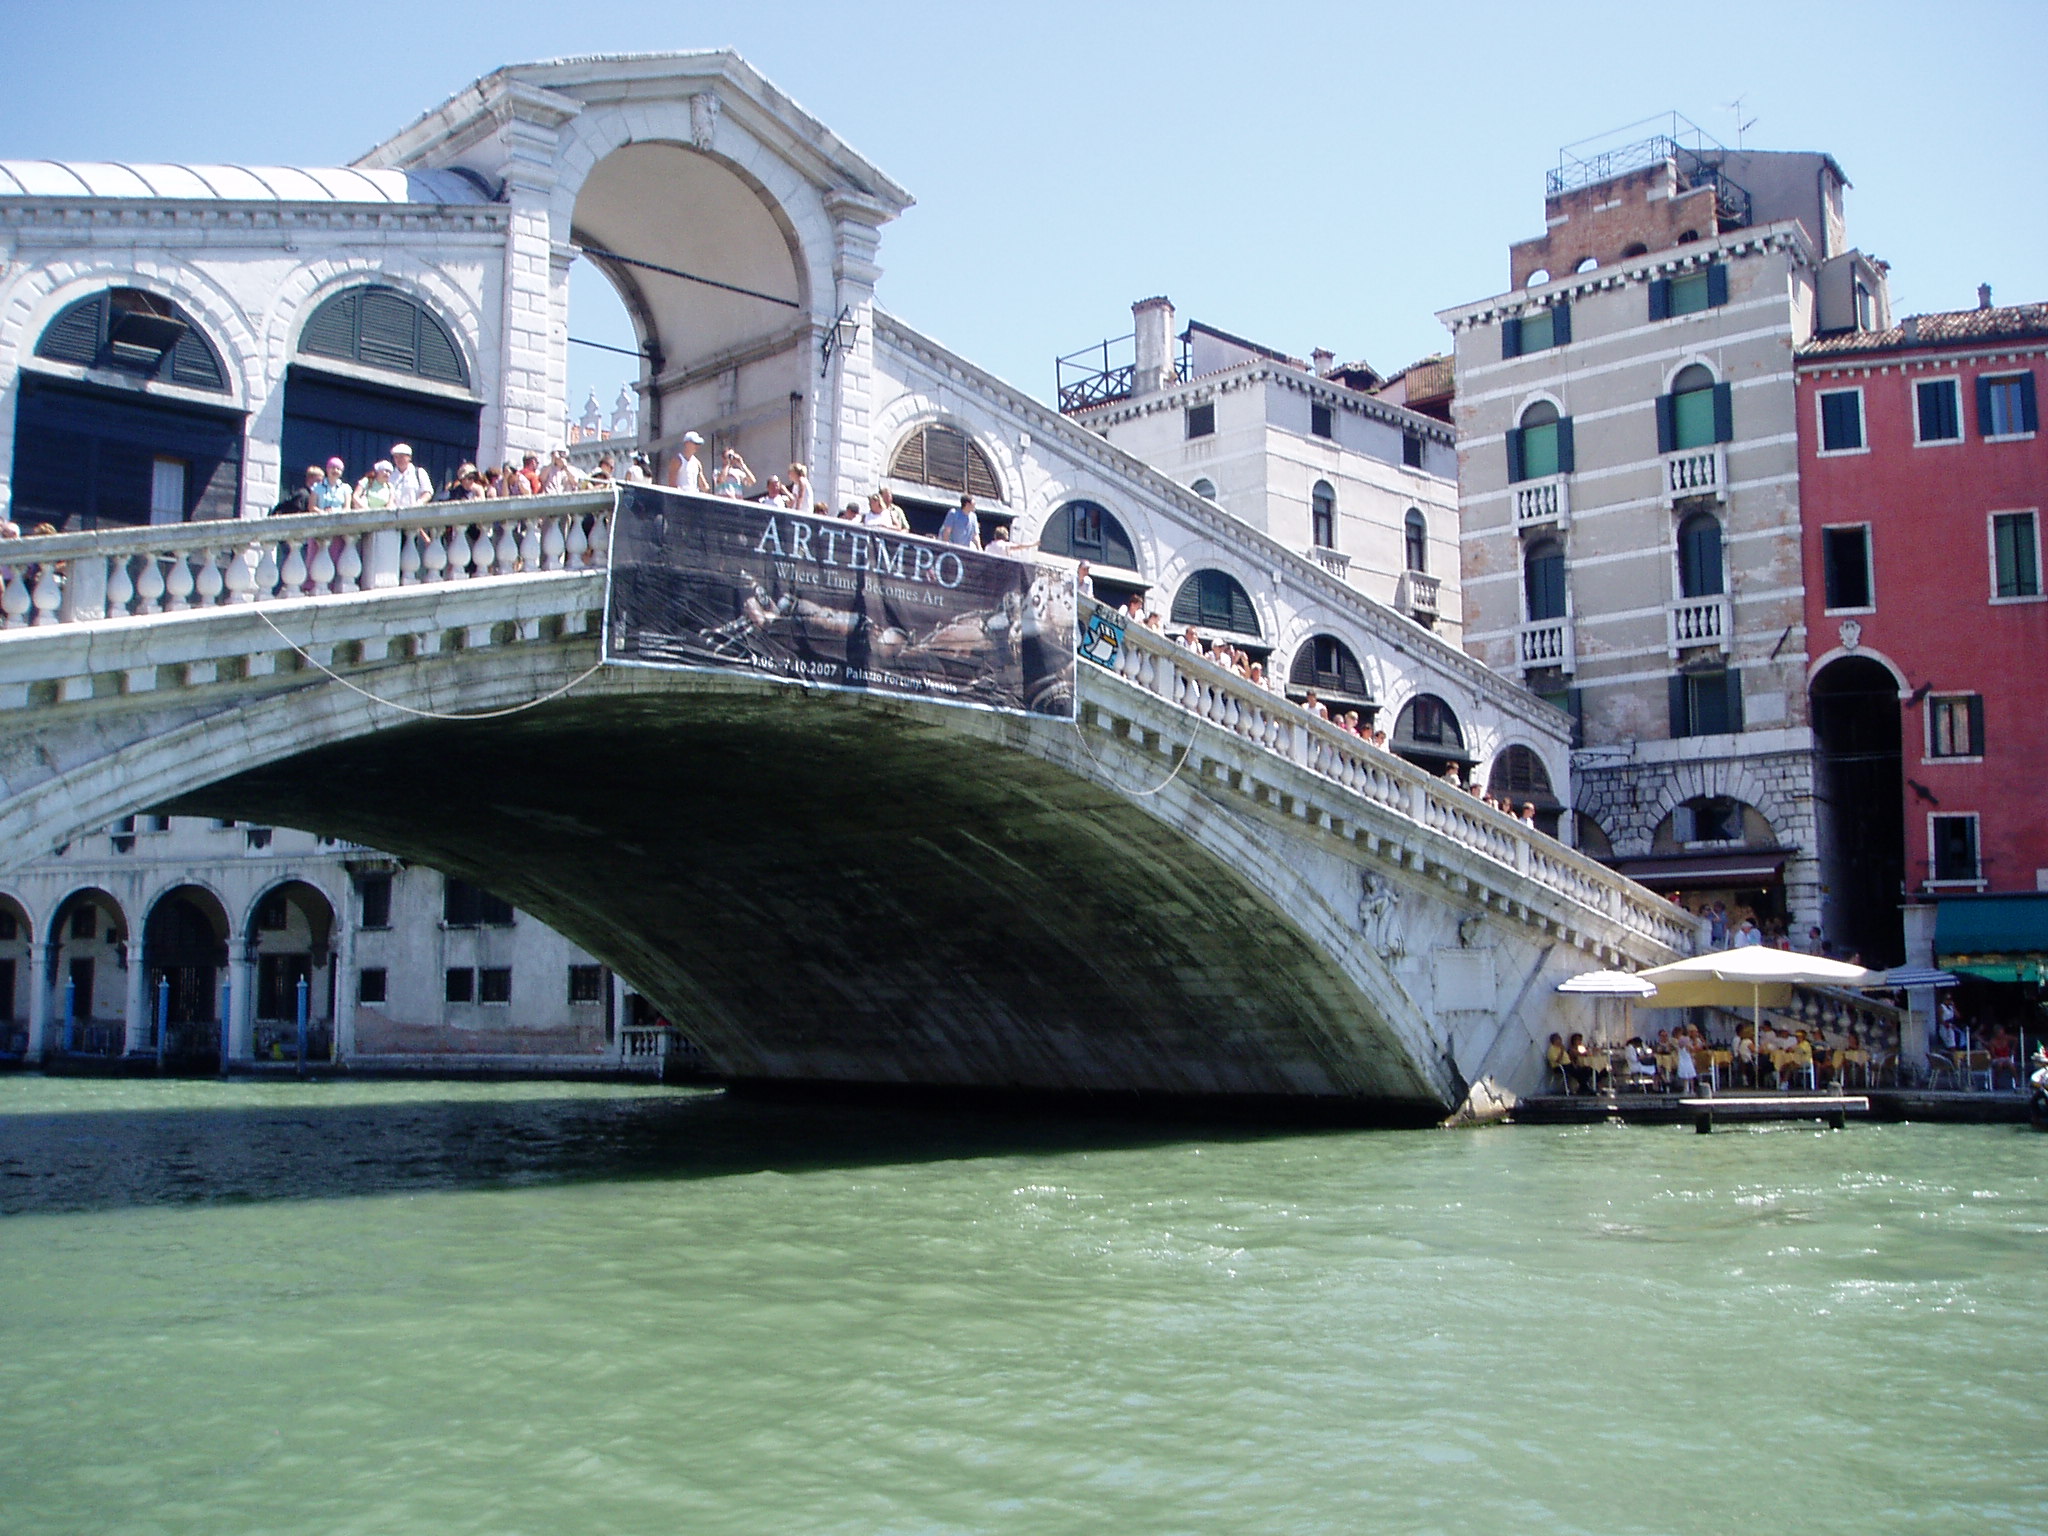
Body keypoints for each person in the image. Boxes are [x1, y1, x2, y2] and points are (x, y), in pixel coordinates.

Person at [388, 444, 433, 508]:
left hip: (415, 514)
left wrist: (418, 504)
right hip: (395, 515)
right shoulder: (390, 475)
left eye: (401, 456)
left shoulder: (419, 472)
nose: (398, 459)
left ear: (409, 457)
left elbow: (428, 493)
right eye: (396, 457)